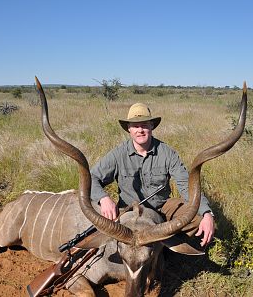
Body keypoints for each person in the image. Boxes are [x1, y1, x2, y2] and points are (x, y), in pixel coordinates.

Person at [90, 102, 214, 247]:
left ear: (151, 126)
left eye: (144, 125)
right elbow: (92, 177)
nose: (140, 130)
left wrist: (207, 214)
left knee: (197, 217)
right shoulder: (118, 154)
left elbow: (187, 186)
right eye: (135, 126)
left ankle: (162, 247)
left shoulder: (167, 153)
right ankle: (159, 243)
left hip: (161, 209)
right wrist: (104, 198)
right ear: (129, 129)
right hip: (129, 213)